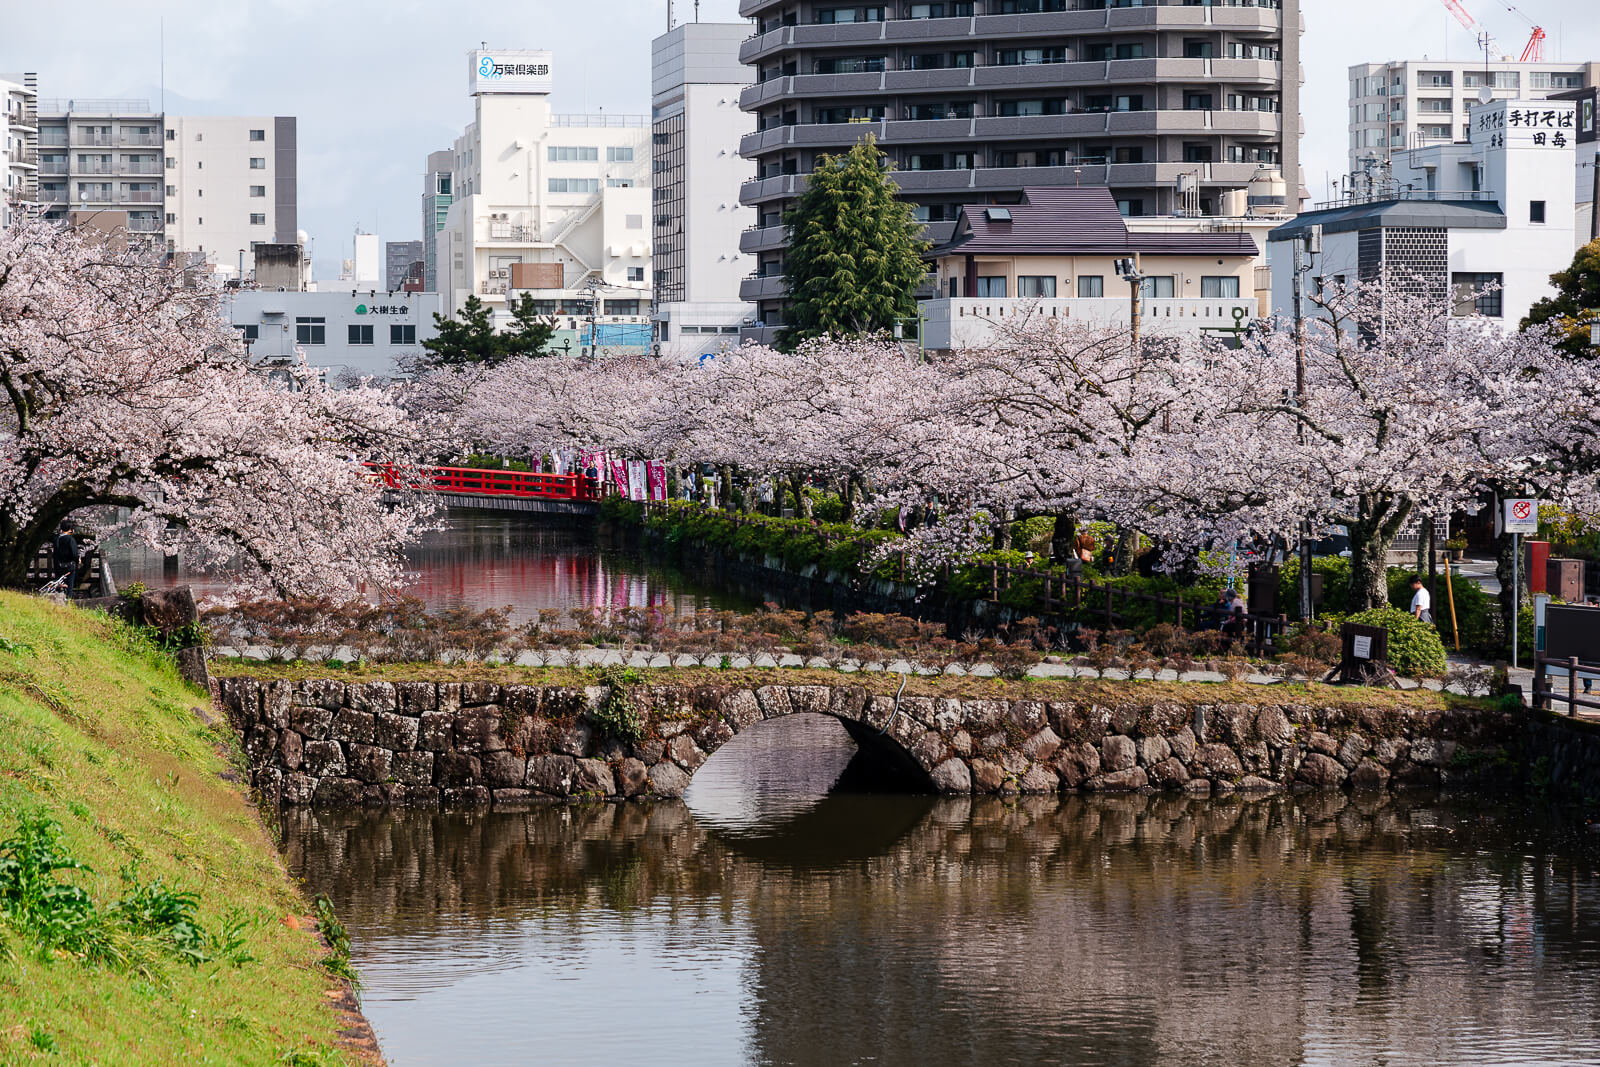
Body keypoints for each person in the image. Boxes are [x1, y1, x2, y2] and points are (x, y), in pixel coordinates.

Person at [53, 521, 80, 597]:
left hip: (58, 565)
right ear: (70, 529)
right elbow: (74, 553)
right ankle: (68, 599)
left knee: (59, 583)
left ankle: (58, 598)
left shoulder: (56, 539)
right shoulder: (70, 539)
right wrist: (78, 560)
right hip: (69, 566)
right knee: (69, 585)